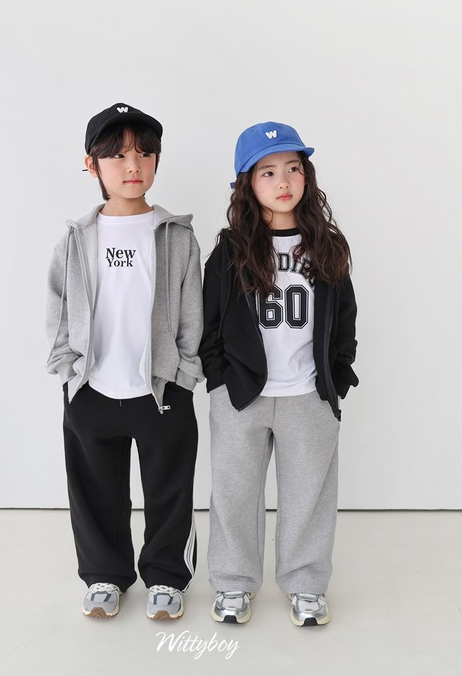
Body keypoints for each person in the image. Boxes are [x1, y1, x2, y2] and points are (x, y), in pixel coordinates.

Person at [46, 103, 203, 620]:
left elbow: (192, 313)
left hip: (161, 389)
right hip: (91, 389)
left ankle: (167, 577)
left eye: (144, 153)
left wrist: (184, 375)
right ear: (91, 164)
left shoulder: (177, 236)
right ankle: (104, 576)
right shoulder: (75, 238)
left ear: (156, 161)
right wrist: (68, 369)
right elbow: (58, 307)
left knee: (169, 491)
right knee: (95, 493)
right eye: (117, 155)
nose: (132, 165)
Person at [199, 121, 358, 627]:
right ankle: (233, 583)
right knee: (234, 495)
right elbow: (209, 323)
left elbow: (345, 320)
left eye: (293, 168)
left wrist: (336, 379)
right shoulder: (230, 250)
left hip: (308, 395)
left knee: (309, 497)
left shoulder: (326, 245)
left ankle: (306, 584)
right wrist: (219, 380)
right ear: (247, 183)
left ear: (306, 175)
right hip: (242, 396)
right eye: (267, 172)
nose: (283, 181)